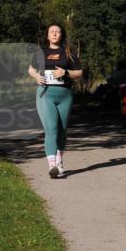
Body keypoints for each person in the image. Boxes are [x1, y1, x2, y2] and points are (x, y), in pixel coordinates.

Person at [28, 24, 83, 178]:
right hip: (46, 94)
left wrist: (65, 72)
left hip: (65, 95)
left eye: (58, 31)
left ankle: (59, 162)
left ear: (61, 35)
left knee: (62, 130)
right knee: (51, 128)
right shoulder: (41, 53)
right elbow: (31, 69)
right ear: (47, 35)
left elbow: (79, 73)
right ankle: (52, 165)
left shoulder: (68, 53)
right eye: (52, 31)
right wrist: (36, 76)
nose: (54, 33)